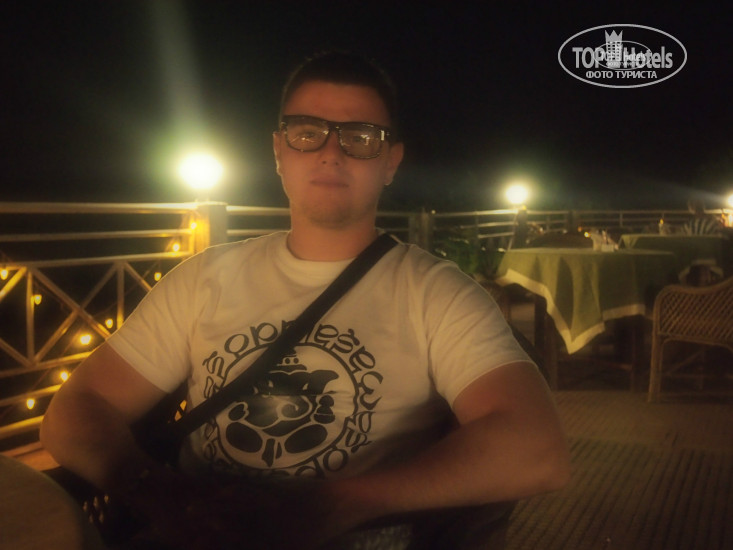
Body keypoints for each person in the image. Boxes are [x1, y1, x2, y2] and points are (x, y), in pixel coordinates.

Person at [41, 51, 570, 549]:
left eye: (360, 137)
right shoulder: (204, 279)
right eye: (307, 133)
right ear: (279, 151)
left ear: (391, 162)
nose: (330, 152)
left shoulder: (434, 292)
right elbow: (75, 411)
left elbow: (538, 449)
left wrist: (336, 505)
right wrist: (161, 495)